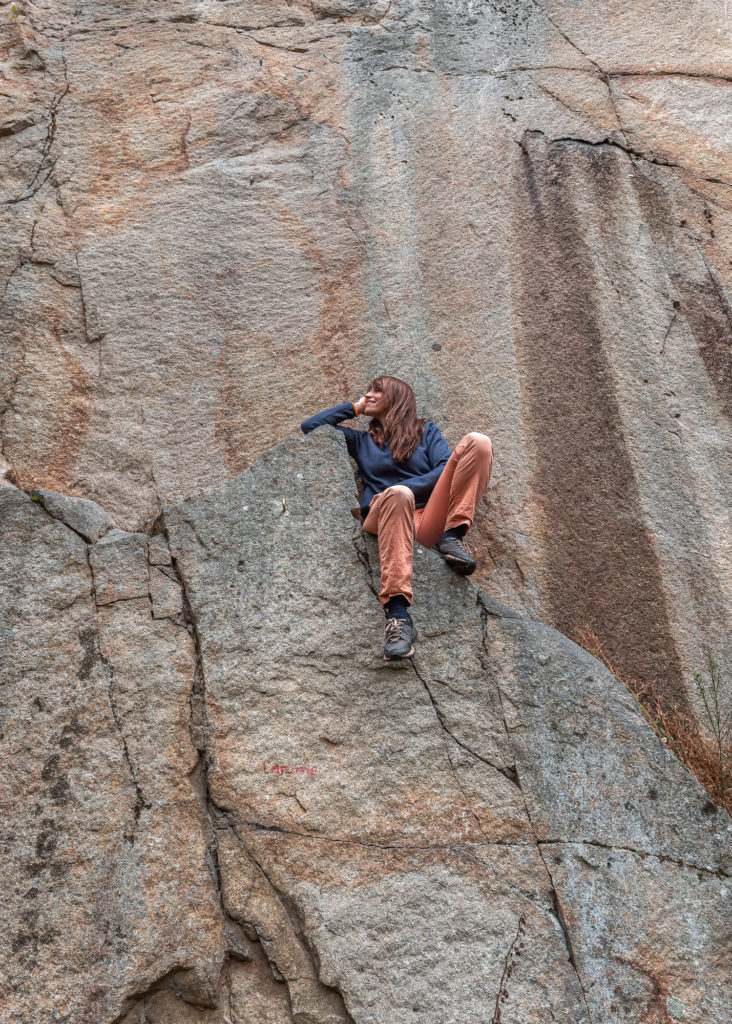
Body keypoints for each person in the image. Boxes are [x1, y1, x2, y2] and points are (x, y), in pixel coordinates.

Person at [300, 375, 494, 661]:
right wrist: (355, 407)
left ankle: (451, 537)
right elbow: (309, 428)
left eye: (377, 391)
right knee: (399, 495)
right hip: (384, 515)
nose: (370, 395)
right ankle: (398, 617)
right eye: (368, 392)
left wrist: (408, 489)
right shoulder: (360, 440)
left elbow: (444, 470)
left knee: (479, 442)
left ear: (397, 397)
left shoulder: (426, 431)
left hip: (427, 519)